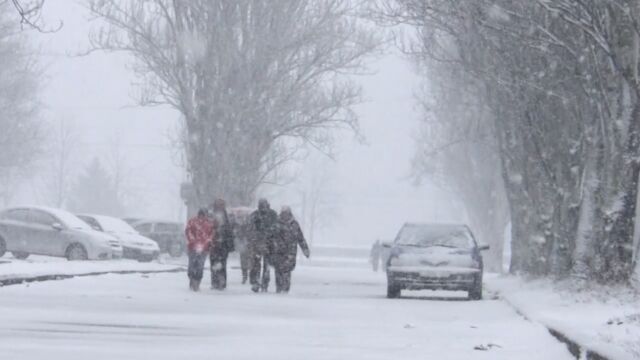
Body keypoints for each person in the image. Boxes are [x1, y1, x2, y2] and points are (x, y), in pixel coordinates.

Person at [272, 207, 310, 293]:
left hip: (290, 252)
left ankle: (285, 288)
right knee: (278, 270)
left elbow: (300, 238)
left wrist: (305, 249)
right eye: (284, 213)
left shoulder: (294, 224)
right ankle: (279, 287)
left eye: (287, 213)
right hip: (278, 251)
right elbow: (271, 238)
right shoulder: (276, 224)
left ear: (289, 214)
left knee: (287, 270)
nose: (285, 215)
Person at [248, 198, 278, 293]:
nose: (263, 207)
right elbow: (250, 228)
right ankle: (256, 283)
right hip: (258, 243)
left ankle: (264, 283)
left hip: (268, 243)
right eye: (261, 205)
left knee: (266, 266)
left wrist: (269, 235)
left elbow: (276, 228)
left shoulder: (272, 215)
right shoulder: (255, 215)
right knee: (257, 265)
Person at [185, 208, 214, 292]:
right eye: (201, 214)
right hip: (192, 247)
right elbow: (188, 231)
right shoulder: (192, 221)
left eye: (203, 214)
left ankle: (197, 282)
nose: (202, 216)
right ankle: (191, 278)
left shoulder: (209, 223)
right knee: (192, 265)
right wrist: (192, 240)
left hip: (204, 248)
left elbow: (212, 234)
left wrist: (208, 241)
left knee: (200, 266)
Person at [209, 199, 234, 290]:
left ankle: (222, 282)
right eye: (218, 205)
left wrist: (230, 244)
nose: (220, 206)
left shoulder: (227, 216)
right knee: (214, 263)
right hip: (214, 244)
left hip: (223, 244)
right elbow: (208, 228)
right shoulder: (211, 215)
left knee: (222, 264)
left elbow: (230, 231)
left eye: (221, 205)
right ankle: (215, 282)